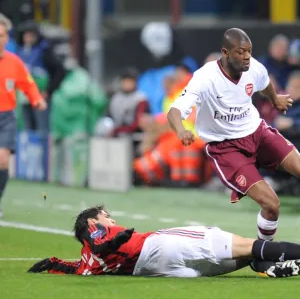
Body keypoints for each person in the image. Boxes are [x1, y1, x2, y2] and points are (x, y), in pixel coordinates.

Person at [167, 28, 296, 242]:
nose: (246, 57)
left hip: (257, 132)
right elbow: (175, 111)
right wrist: (181, 130)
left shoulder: (254, 67)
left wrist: (275, 100)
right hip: (226, 147)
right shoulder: (205, 78)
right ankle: (264, 252)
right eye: (240, 52)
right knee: (271, 204)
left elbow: (264, 83)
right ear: (225, 53)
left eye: (249, 51)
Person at [28, 205, 300, 278]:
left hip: (163, 270)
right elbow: (102, 245)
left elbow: (73, 266)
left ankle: (269, 268)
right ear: (92, 222)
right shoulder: (98, 233)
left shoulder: (87, 262)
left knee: (245, 258)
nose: (111, 221)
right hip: (160, 245)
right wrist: (119, 237)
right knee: (247, 245)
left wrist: (50, 263)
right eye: (106, 217)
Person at [0, 14, 47, 217]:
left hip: (6, 117)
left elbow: (28, 84)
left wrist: (37, 99)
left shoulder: (14, 62)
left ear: (7, 37)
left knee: (2, 160)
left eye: (2, 35)